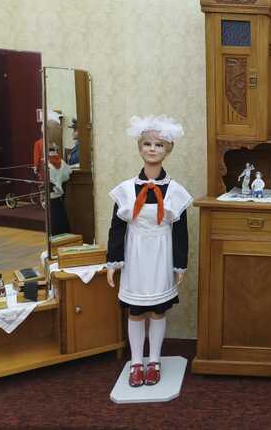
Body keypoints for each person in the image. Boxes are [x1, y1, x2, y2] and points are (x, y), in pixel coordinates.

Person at [106, 115, 192, 388]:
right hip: (135, 254)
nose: (152, 149)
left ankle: (154, 360)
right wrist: (113, 261)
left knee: (157, 310)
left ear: (168, 150)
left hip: (161, 255)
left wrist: (179, 264)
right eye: (147, 143)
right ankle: (136, 361)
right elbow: (117, 228)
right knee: (135, 310)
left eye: (159, 144)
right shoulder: (125, 189)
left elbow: (180, 231)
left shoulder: (175, 191)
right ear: (139, 147)